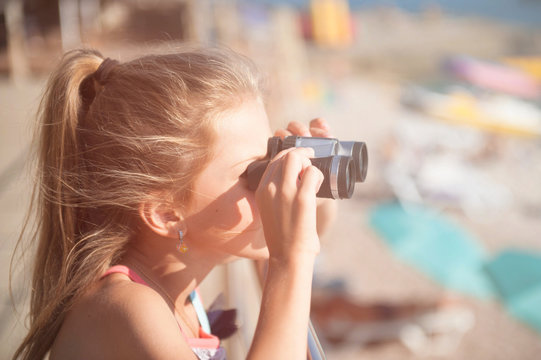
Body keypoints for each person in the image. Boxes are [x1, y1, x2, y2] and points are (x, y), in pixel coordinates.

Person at [12, 47, 338, 360]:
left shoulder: (176, 286)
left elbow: (283, 259)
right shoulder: (130, 308)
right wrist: (292, 259)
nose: (271, 184)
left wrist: (315, 193)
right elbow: (282, 263)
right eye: (255, 172)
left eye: (272, 156)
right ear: (167, 214)